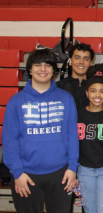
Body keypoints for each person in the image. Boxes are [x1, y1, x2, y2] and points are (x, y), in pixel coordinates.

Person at [2, 49, 79, 213]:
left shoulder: (66, 99)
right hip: (26, 174)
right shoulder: (16, 102)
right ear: (30, 69)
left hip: (61, 173)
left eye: (47, 65)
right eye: (37, 65)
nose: (43, 69)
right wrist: (17, 173)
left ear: (54, 70)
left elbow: (72, 136)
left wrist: (72, 168)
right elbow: (9, 140)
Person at [77, 63, 103, 213]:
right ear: (87, 93)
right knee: (89, 209)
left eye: (102, 91)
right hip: (84, 169)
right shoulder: (78, 115)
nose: (97, 95)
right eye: (93, 91)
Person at [57, 43, 95, 110]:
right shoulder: (58, 87)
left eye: (86, 59)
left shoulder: (97, 87)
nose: (81, 62)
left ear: (91, 63)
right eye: (77, 58)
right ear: (70, 61)